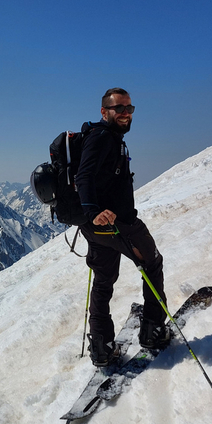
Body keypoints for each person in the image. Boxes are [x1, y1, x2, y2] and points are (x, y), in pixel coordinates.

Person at [75, 87, 171, 367]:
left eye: (129, 108)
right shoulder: (102, 137)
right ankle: (153, 330)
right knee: (151, 264)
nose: (126, 113)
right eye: (119, 109)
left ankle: (102, 348)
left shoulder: (108, 138)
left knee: (104, 282)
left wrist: (91, 216)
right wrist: (94, 211)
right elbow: (84, 176)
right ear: (104, 112)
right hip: (118, 225)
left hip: (96, 228)